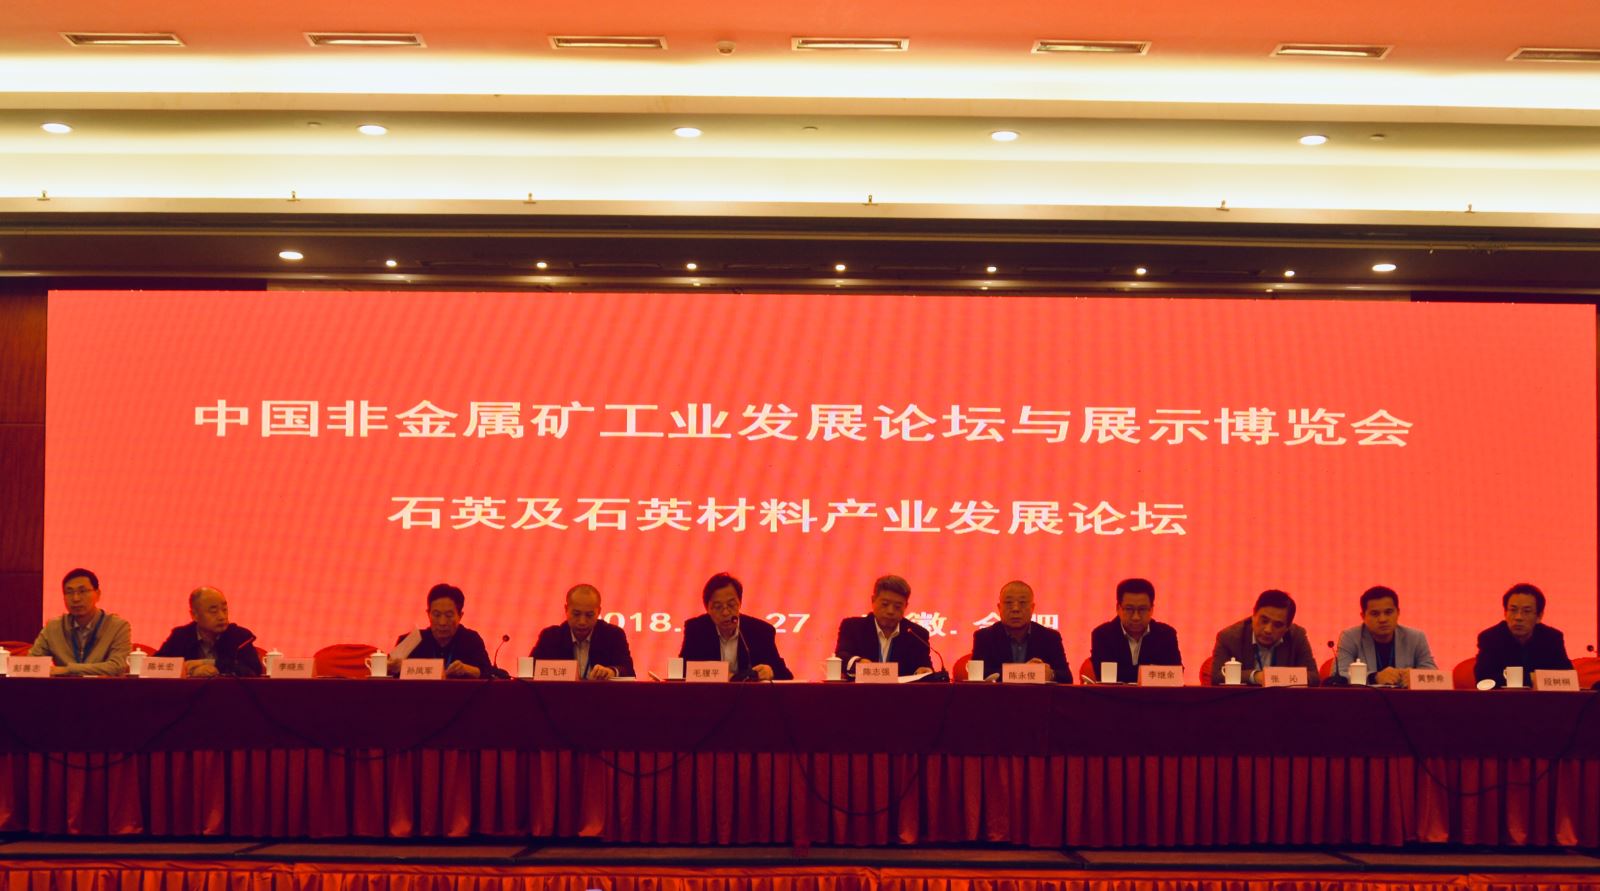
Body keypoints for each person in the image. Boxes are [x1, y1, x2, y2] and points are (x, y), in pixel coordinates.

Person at [679, 572, 792, 681]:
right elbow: (682, 671)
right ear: (707, 609)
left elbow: (786, 675)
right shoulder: (696, 630)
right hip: (710, 693)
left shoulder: (761, 632)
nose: (725, 612)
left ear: (740, 603)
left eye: (731, 605)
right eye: (718, 607)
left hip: (749, 694)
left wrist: (771, 671)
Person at [30, 568, 132, 676]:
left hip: (102, 686)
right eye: (69, 592)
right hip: (64, 687)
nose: (76, 598)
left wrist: (69, 670)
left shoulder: (118, 626)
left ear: (98, 594)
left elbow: (118, 666)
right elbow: (32, 662)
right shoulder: (53, 627)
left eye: (82, 591)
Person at [390, 583, 504, 678]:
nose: (442, 622)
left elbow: (490, 673)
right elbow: (386, 672)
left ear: (460, 616)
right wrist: (391, 667)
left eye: (449, 615)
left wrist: (468, 669)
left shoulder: (471, 640)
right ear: (428, 614)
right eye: (436, 615)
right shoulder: (411, 641)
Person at [1210, 589, 1319, 686]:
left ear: (1287, 627)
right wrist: (1255, 676)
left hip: (1283, 701)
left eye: (1277, 625)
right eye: (1264, 621)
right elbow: (1217, 676)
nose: (1268, 630)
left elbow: (1314, 677)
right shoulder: (1229, 637)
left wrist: (1278, 677)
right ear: (1253, 615)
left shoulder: (1297, 637)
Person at [833, 575, 935, 678]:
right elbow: (841, 656)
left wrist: (925, 671)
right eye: (885, 604)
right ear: (873, 600)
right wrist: (858, 662)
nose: (890, 611)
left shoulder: (916, 634)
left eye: (897, 607)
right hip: (861, 688)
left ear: (906, 606)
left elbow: (925, 666)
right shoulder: (853, 627)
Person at [1474, 582, 1573, 687]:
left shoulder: (1552, 639)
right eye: (1513, 610)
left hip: (1541, 697)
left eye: (1527, 611)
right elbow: (1483, 680)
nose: (1518, 617)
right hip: (1503, 697)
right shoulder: (1490, 639)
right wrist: (1535, 679)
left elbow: (1567, 679)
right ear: (1505, 613)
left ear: (1539, 616)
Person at [1333, 585, 1437, 686]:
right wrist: (1374, 677)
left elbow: (1433, 673)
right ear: (1363, 616)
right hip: (1367, 697)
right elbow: (1338, 675)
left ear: (1398, 612)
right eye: (1375, 614)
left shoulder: (1416, 637)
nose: (1383, 619)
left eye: (1388, 612)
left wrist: (1415, 676)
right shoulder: (1350, 637)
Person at [970, 579, 1070, 682]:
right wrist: (1025, 671)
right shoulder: (984, 636)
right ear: (999, 608)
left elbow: (1067, 677)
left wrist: (1051, 674)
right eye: (1008, 603)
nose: (1015, 609)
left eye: (1022, 603)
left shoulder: (1050, 637)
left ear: (1032, 608)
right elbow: (977, 675)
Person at [530, 583, 635, 679]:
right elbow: (530, 671)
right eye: (576, 614)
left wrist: (612, 671)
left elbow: (628, 670)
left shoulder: (613, 635)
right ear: (566, 609)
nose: (582, 622)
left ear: (599, 611)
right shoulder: (550, 637)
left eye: (589, 615)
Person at [154, 586, 265, 677]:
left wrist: (213, 664)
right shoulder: (180, 636)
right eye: (213, 611)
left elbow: (254, 670)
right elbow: (155, 666)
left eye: (224, 610)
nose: (222, 617)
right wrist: (189, 671)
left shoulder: (239, 637)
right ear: (194, 615)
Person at [1088, 577, 1182, 682]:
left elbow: (1175, 675)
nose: (1135, 617)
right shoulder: (1102, 635)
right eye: (1129, 609)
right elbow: (1103, 676)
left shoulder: (1166, 635)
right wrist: (1150, 673)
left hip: (1155, 693)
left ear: (1151, 609)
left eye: (1142, 609)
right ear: (1118, 608)